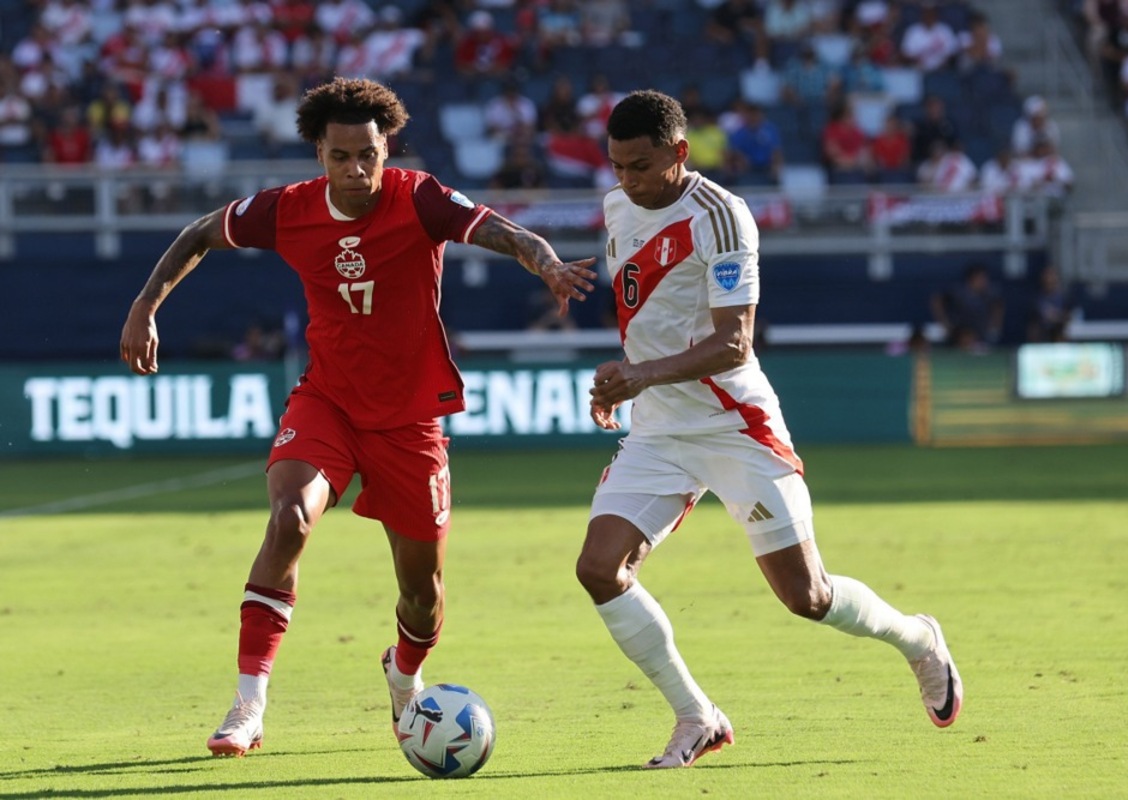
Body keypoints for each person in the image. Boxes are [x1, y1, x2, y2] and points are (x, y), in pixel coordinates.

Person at [119, 77, 597, 758]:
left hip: (409, 423)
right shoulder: (287, 210)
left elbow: (500, 230)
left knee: (422, 595)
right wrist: (145, 306)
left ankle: (403, 672)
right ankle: (248, 706)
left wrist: (545, 262)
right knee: (289, 520)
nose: (356, 170)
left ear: (387, 146)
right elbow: (199, 233)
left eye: (367, 155)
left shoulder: (418, 196)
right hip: (329, 403)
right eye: (341, 156)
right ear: (319, 152)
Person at [576, 90, 963, 770]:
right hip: (660, 430)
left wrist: (639, 377)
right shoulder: (616, 207)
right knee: (599, 569)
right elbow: (649, 316)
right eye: (616, 166)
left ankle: (917, 639)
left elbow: (734, 343)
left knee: (805, 596)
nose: (626, 181)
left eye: (639, 166)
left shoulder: (723, 218)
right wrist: (623, 380)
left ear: (679, 153)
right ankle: (697, 716)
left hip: (734, 424)